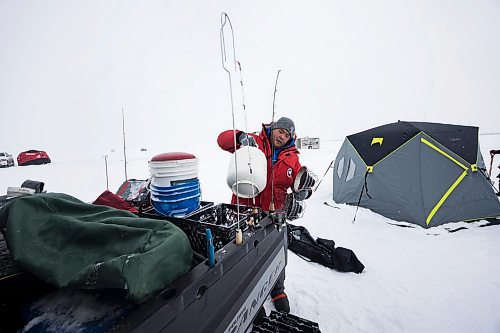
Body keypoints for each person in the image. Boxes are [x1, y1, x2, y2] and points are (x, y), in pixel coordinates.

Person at [218, 116, 312, 313]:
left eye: (287, 135)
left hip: (274, 214)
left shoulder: (293, 159)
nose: (282, 137)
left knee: (277, 250)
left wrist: (302, 191)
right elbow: (222, 139)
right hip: (244, 211)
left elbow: (299, 184)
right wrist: (240, 137)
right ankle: (247, 293)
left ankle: (278, 289)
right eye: (280, 131)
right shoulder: (254, 142)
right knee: (243, 252)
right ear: (273, 128)